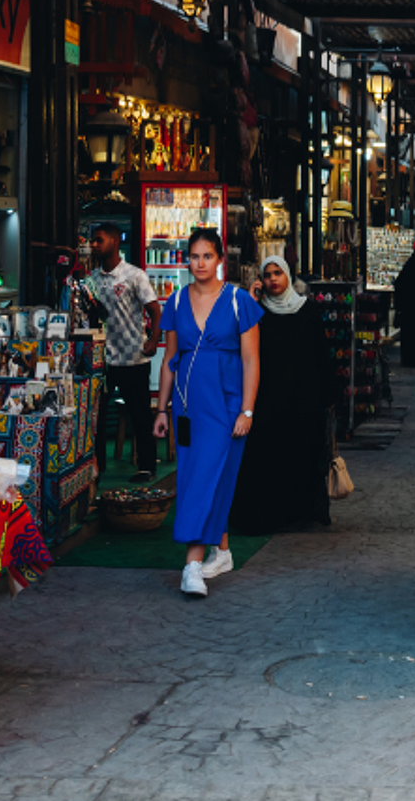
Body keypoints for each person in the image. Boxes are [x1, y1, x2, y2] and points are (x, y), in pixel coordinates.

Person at [153, 228, 264, 598]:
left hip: (227, 402)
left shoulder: (238, 301)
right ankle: (224, 552)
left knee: (204, 477)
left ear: (220, 260)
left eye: (207, 256)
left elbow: (252, 360)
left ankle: (191, 565)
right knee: (201, 475)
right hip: (187, 405)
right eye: (194, 256)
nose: (200, 263)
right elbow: (170, 360)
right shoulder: (176, 301)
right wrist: (161, 408)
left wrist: (247, 409)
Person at [232, 256, 335, 534]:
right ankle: (274, 514)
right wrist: (252, 302)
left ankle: (301, 513)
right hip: (268, 399)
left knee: (302, 454)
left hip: (304, 400)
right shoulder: (259, 314)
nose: (273, 279)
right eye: (267, 275)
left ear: (288, 275)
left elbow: (321, 356)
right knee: (270, 456)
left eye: (278, 273)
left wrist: (327, 397)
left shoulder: (307, 310)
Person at [87, 222, 162, 479]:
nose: (94, 245)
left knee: (140, 416)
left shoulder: (134, 275)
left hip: (134, 358)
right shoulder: (92, 280)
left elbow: (154, 309)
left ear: (115, 241)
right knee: (96, 416)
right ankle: (98, 467)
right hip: (104, 361)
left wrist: (153, 340)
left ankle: (147, 466)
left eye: (99, 240)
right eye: (92, 241)